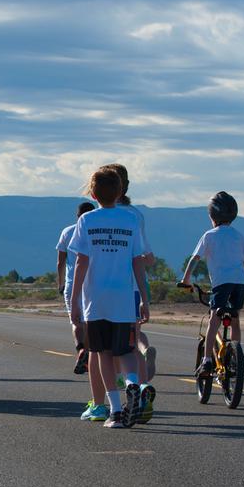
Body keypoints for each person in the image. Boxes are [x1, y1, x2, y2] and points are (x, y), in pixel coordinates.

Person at [70, 168, 153, 428]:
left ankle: (115, 411)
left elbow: (81, 262)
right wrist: (144, 298)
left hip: (96, 298)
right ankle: (132, 383)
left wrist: (74, 301)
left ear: (93, 194)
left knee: (102, 353)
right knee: (126, 350)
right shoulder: (130, 220)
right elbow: (138, 262)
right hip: (123, 296)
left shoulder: (87, 220)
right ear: (120, 192)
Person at [101, 162, 157, 422]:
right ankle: (141, 391)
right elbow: (146, 257)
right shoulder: (136, 215)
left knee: (107, 350)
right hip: (133, 288)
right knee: (131, 345)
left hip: (103, 291)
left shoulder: (97, 216)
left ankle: (118, 400)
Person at [182, 191, 244, 377]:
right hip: (239, 283)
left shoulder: (209, 235)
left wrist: (185, 280)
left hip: (221, 284)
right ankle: (237, 356)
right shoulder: (239, 236)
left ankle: (206, 362)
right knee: (235, 319)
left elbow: (194, 259)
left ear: (212, 215)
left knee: (214, 319)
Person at [56, 202, 97, 375]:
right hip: (91, 282)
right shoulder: (96, 231)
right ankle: (86, 351)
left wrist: (60, 283)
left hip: (72, 282)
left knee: (75, 321)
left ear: (77, 215)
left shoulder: (67, 231)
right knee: (88, 321)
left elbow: (60, 262)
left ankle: (80, 349)